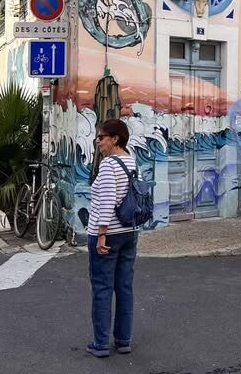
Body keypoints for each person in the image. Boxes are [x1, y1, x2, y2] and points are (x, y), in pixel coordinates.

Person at [85, 118, 139, 358]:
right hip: (129, 232)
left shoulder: (109, 165)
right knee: (124, 287)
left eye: (101, 137)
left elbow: (107, 201)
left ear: (115, 138)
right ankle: (123, 341)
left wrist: (101, 234)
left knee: (102, 288)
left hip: (108, 235)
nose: (97, 142)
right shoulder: (131, 161)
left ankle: (100, 344)